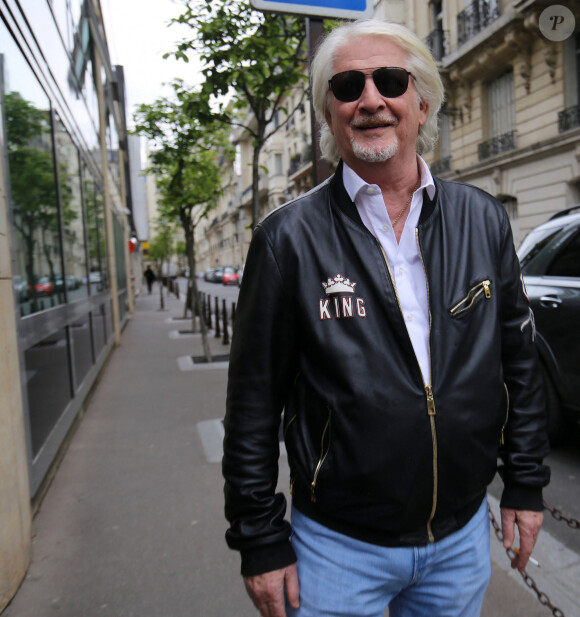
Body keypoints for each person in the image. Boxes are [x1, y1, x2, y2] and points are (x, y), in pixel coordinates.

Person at [223, 19, 550, 617]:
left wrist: (525, 485)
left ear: (421, 102)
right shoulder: (284, 240)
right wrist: (260, 540)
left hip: (460, 542)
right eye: (347, 86)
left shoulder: (482, 219)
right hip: (335, 552)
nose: (370, 100)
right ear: (329, 113)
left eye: (390, 81)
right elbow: (251, 404)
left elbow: (519, 364)